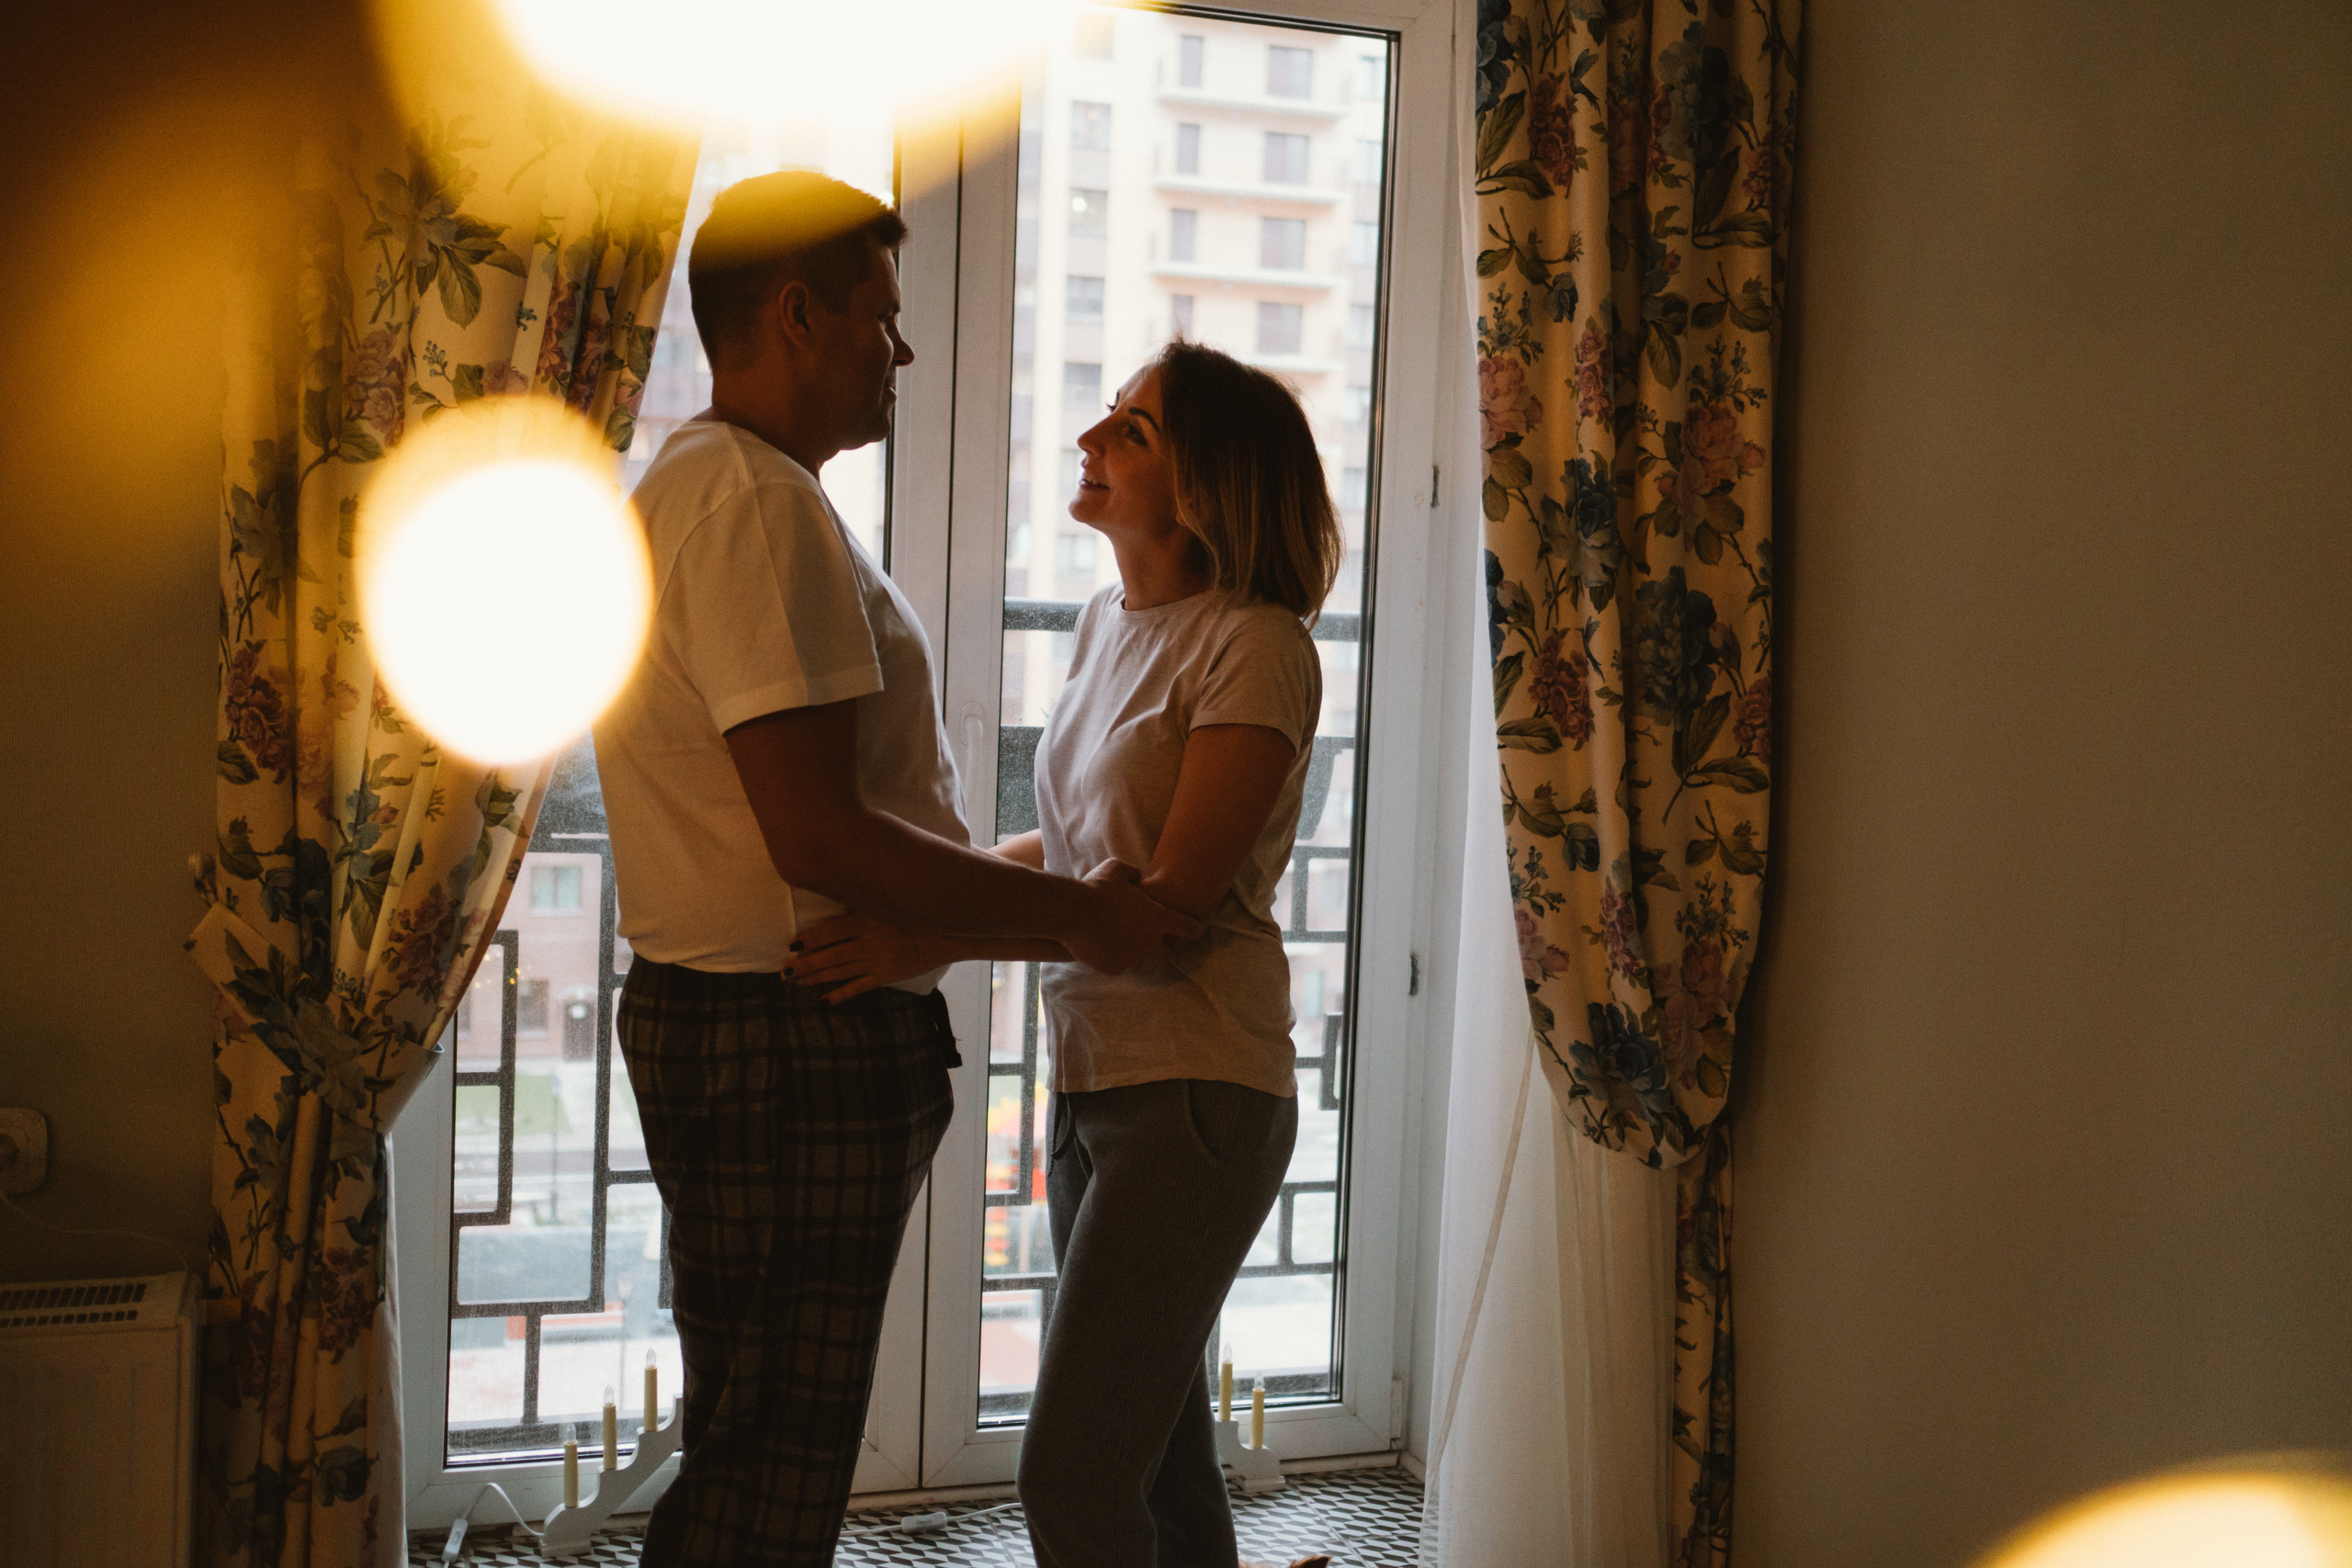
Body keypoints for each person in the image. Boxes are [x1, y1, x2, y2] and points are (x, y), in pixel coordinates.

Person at [593, 171, 1200, 1568]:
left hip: (731, 1017)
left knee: (751, 1439)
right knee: (776, 1471)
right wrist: (1086, 928)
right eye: (883, 316)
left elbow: (822, 823)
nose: (902, 350)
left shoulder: (696, 486)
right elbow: (817, 837)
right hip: (791, 1041)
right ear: (800, 317)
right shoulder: (754, 508)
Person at [789, 340, 1342, 1568]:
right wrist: (940, 890)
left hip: (1198, 1088)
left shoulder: (1256, 648)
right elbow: (1082, 846)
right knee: (1162, 1454)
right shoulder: (1108, 621)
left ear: (1211, 480)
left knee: (1071, 1474)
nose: (1091, 443)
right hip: (1095, 1076)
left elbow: (1158, 915)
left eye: (1132, 430)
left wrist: (924, 934)